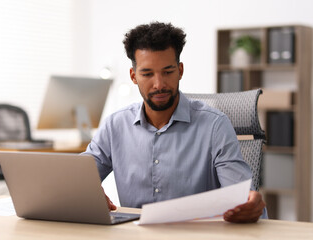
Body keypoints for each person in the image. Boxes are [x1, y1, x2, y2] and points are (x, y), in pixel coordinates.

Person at [83, 22, 266, 223]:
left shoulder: (215, 126)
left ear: (180, 70)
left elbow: (240, 197)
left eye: (168, 72)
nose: (159, 84)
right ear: (134, 76)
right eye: (147, 74)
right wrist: (86, 193)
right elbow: (77, 178)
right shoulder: (114, 126)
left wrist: (249, 204)